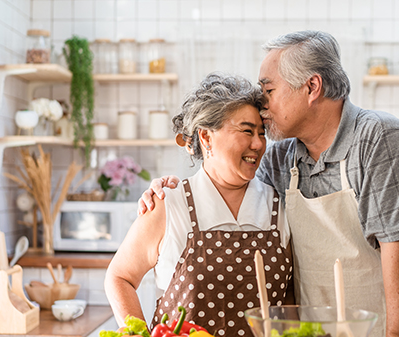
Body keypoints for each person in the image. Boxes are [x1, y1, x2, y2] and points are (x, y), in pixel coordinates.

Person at [139, 31, 399, 337]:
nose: (262, 105)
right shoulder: (280, 159)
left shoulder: (379, 137)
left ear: (312, 87)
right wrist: (171, 189)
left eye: (268, 91)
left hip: (385, 329)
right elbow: (227, 186)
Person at [105, 73, 293, 337]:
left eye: (262, 134)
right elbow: (119, 277)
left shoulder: (280, 206)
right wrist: (138, 334)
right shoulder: (169, 205)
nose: (259, 144)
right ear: (206, 138)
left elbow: (289, 301)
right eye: (247, 131)